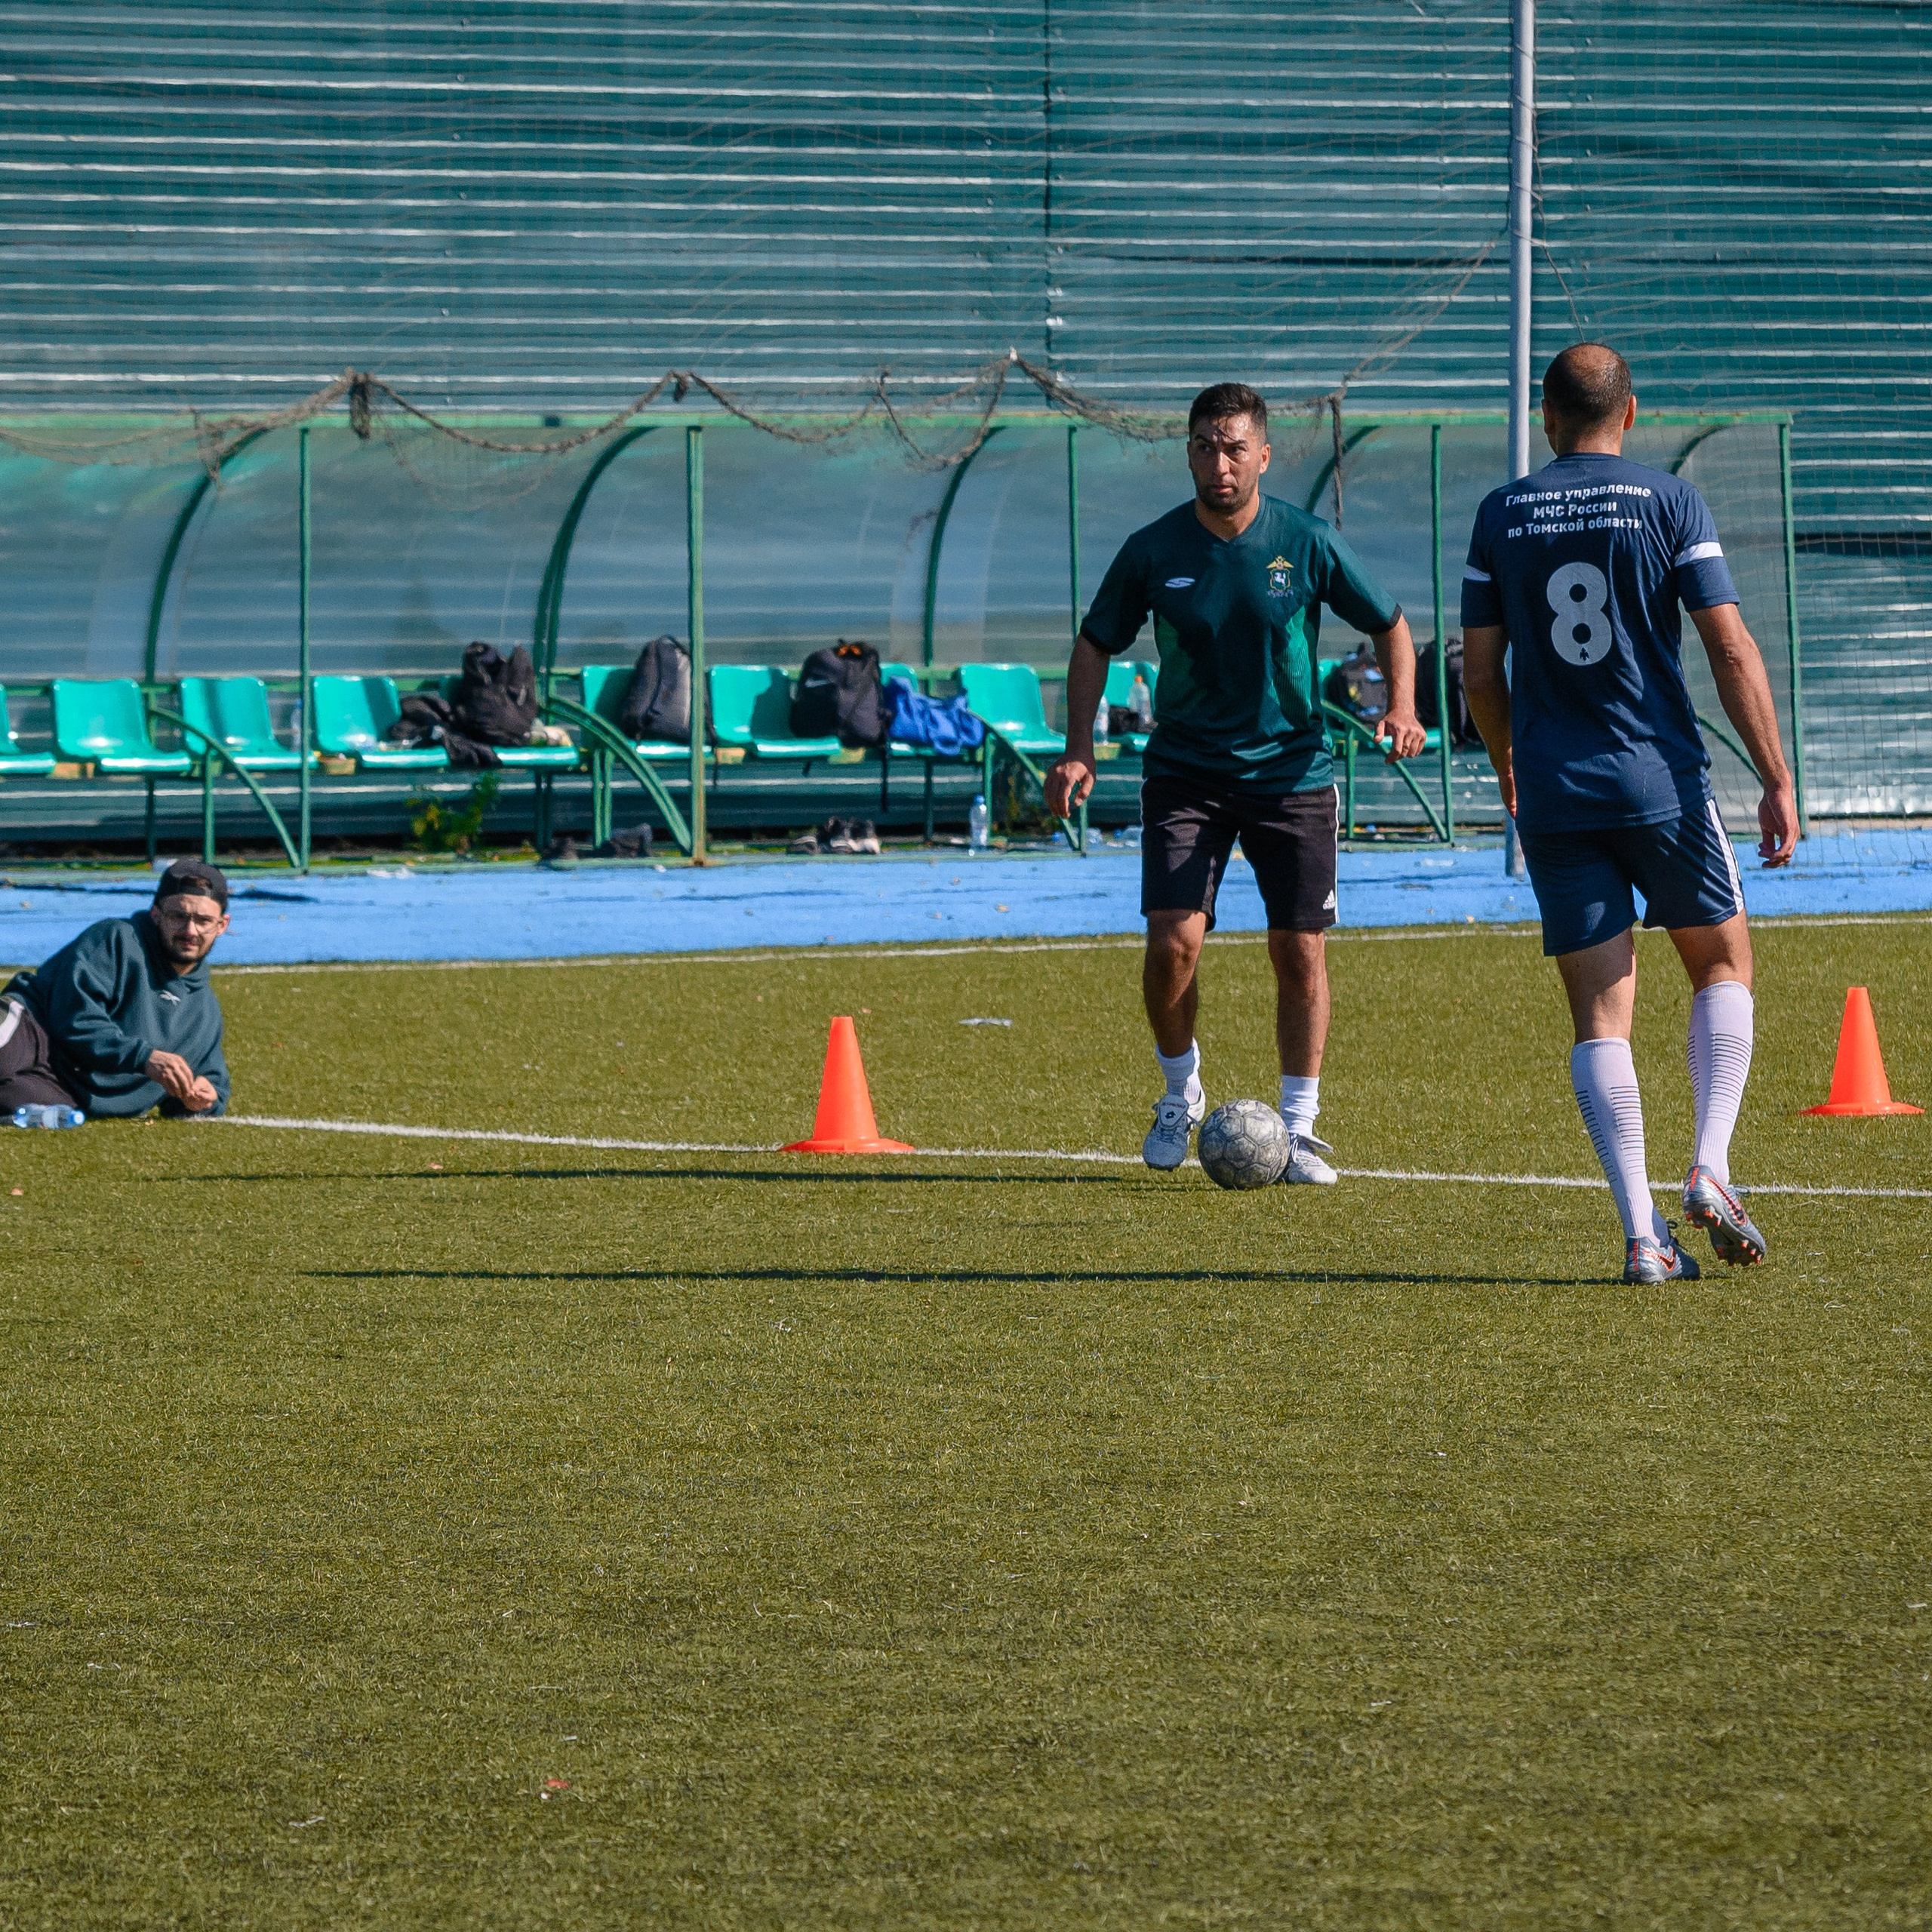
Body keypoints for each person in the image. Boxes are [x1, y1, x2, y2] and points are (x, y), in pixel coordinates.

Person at [1459, 343, 1798, 1284]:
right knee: (1722, 960)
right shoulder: (1668, 500)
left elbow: (1479, 671)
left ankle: (1642, 1236)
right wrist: (1774, 774)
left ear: (1544, 415)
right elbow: (1728, 650)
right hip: (1660, 781)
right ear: (1631, 413)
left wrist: (1507, 767)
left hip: (1556, 793)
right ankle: (1710, 1164)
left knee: (1600, 1018)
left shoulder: (1501, 513)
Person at [1045, 381, 1426, 1180]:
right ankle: (1179, 1093)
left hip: (1291, 772)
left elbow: (1389, 622)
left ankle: (1298, 1127)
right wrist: (1078, 746)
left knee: (1298, 950)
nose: (1218, 463)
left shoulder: (1306, 540)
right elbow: (1093, 644)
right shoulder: (1153, 549)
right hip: (1186, 772)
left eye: (1232, 448)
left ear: (1262, 454)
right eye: (1203, 447)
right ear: (1188, 453)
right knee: (1174, 944)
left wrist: (1402, 705)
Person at [0, 857, 233, 1119]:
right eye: (178, 916)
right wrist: (144, 1058)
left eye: (203, 920)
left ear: (222, 925)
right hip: (34, 1032)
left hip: (65, 1091)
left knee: (33, 1107)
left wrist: (204, 1097)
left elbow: (213, 1083)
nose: (190, 931)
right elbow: (74, 1018)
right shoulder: (117, 939)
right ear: (156, 915)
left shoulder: (205, 1012)